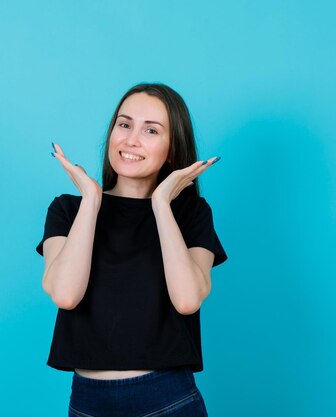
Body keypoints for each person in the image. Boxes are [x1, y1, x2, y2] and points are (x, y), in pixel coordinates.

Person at [35, 83, 228, 417]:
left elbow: (187, 300)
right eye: (124, 125)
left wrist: (161, 204)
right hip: (88, 402)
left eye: (151, 130)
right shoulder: (67, 210)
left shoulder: (192, 213)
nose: (131, 139)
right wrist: (92, 200)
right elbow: (66, 295)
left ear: (171, 149)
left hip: (167, 398)